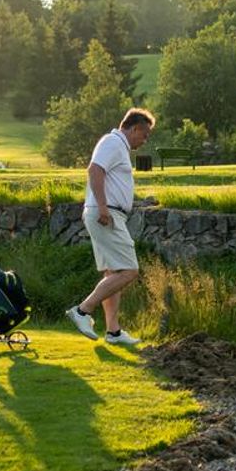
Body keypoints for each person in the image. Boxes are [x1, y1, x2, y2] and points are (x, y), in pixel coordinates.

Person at [65, 108, 156, 346]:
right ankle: (82, 311)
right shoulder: (113, 142)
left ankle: (113, 332)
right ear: (134, 128)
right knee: (129, 270)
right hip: (106, 214)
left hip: (109, 212)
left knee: (114, 272)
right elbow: (94, 170)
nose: (145, 140)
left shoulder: (118, 146)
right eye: (144, 135)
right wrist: (104, 209)